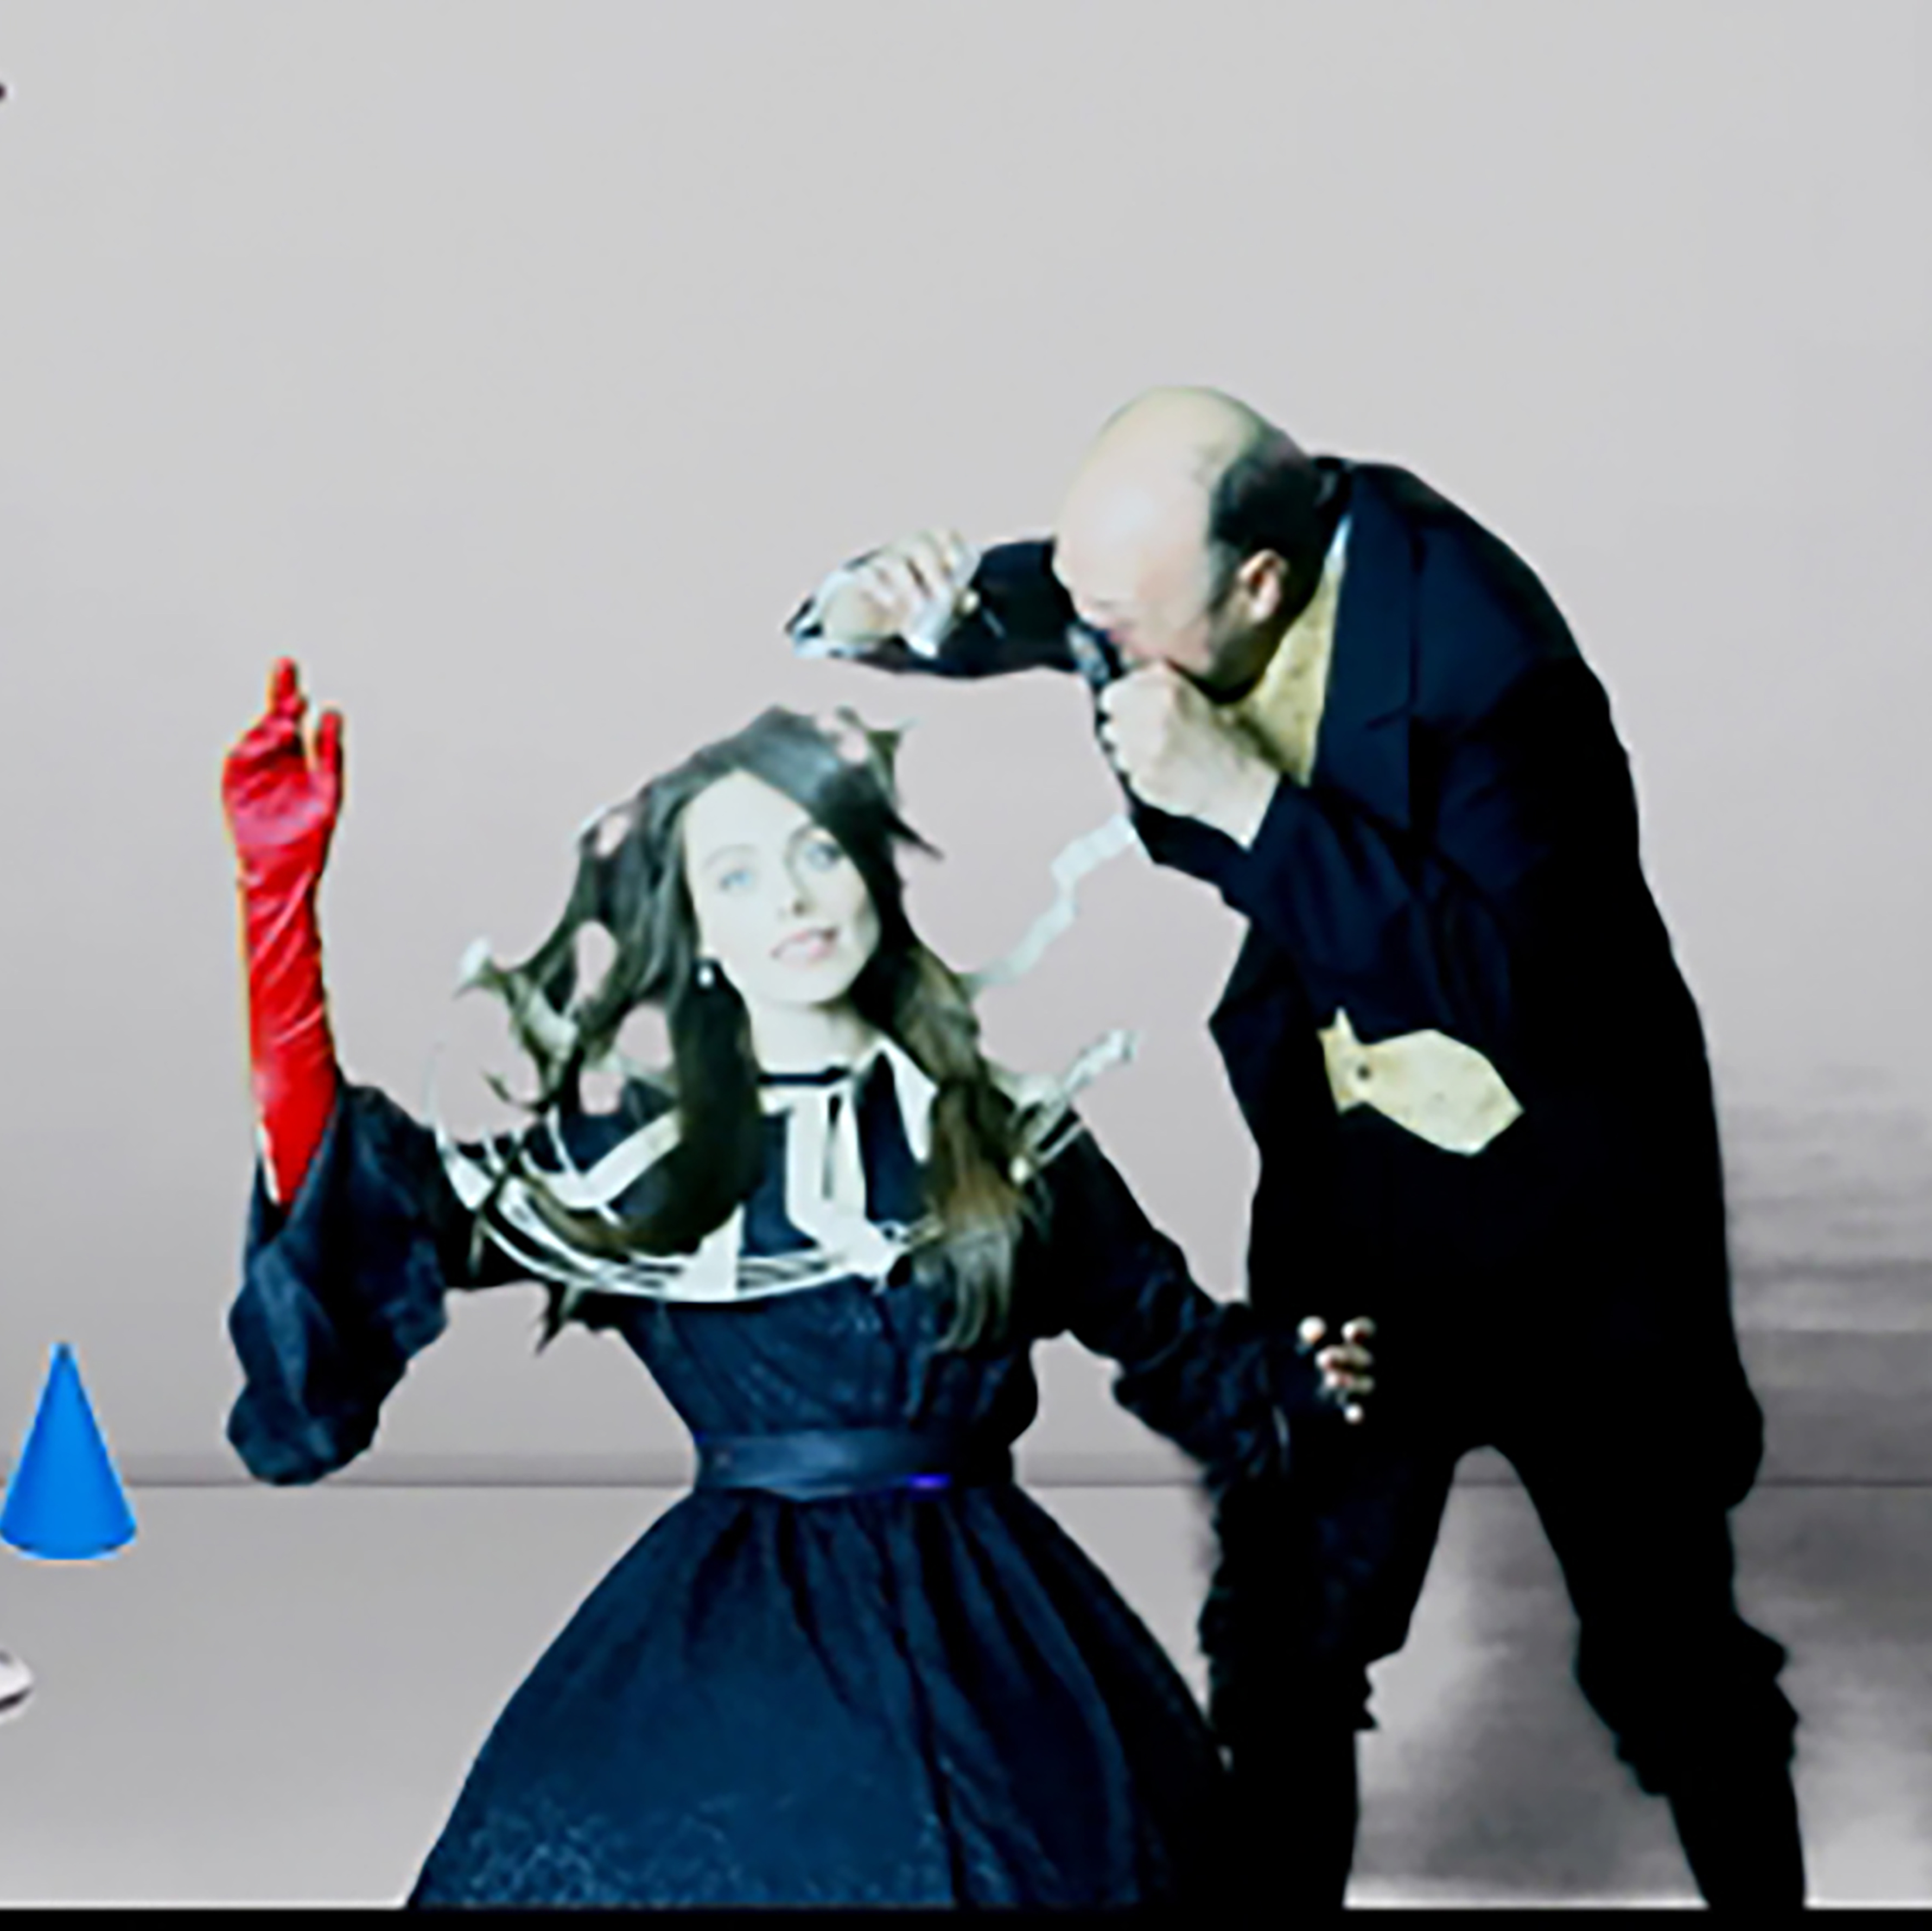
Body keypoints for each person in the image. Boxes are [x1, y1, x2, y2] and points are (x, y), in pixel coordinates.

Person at [785, 386, 1808, 1908]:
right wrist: (912, 618)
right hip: (1361, 1198)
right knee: (1283, 1632)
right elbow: (1074, 596)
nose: (1098, 652)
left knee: (1668, 1654)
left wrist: (1248, 807)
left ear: (1261, 583)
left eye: (1120, 623)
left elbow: (1520, 995)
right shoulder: (1191, 575)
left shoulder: (1500, 680)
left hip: (1577, 1227)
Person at [214, 658, 1380, 1908]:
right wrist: (278, 909)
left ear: (874, 873)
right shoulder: (641, 1164)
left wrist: (1302, 1375)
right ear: (699, 937)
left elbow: (1178, 1345)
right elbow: (354, 1195)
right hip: (738, 1631)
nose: (791, 897)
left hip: (997, 1629)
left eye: (819, 851)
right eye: (736, 875)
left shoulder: (1011, 1141)